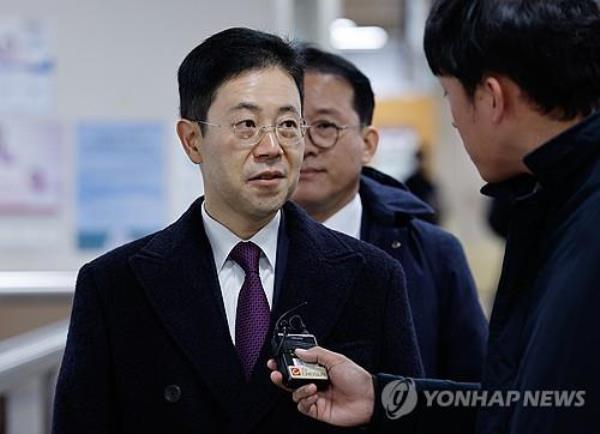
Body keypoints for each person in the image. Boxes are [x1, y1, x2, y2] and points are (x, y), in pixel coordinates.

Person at [51, 28, 423, 434]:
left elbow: (407, 422)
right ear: (192, 140)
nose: (271, 147)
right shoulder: (115, 287)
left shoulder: (371, 277)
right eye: (247, 124)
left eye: (287, 125)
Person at [271, 0, 600, 433]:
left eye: (450, 95)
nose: (455, 120)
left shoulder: (580, 225)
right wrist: (383, 396)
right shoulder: (555, 208)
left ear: (491, 97)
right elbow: (533, 400)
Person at [292, 46, 487, 381]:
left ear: (368, 144)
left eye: (325, 126)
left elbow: (475, 389)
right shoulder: (243, 252)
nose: (305, 146)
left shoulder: (432, 253)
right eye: (288, 126)